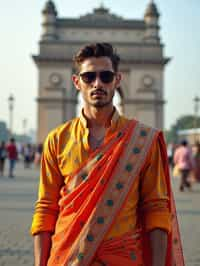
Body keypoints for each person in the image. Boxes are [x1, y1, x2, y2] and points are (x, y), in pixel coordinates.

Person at [31, 43, 184, 266]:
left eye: (106, 76)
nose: (97, 83)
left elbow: (156, 209)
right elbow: (46, 208)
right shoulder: (57, 140)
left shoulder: (143, 141)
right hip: (67, 257)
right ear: (76, 82)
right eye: (89, 77)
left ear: (118, 80)